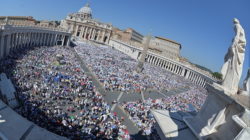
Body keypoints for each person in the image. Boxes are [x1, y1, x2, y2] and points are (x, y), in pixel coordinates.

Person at [221, 18, 247, 94]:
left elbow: (237, 36)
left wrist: (232, 45)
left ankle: (228, 84)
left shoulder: (237, 26)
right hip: (239, 47)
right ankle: (229, 84)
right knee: (228, 61)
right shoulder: (241, 28)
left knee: (228, 61)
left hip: (237, 47)